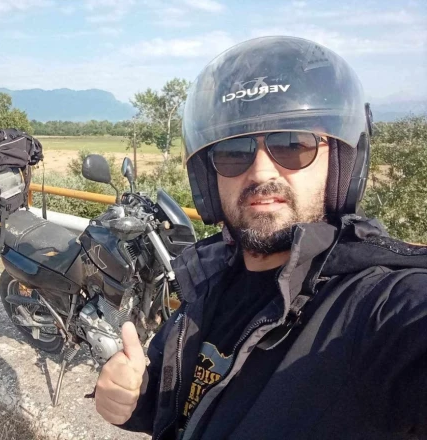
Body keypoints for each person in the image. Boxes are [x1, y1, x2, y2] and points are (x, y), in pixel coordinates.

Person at [94, 36, 427, 440]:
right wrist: (134, 397)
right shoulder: (207, 281)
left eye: (293, 145)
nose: (261, 172)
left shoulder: (376, 304)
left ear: (341, 163)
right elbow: (179, 407)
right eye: (234, 151)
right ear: (208, 177)